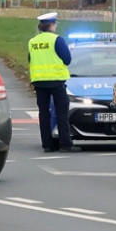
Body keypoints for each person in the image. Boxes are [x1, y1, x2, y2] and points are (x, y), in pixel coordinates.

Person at [27, 12, 78, 153]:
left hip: (39, 82)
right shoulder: (57, 40)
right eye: (55, 24)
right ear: (51, 25)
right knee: (62, 112)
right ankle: (65, 144)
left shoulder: (33, 41)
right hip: (56, 81)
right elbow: (67, 59)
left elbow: (30, 59)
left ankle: (47, 145)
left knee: (44, 114)